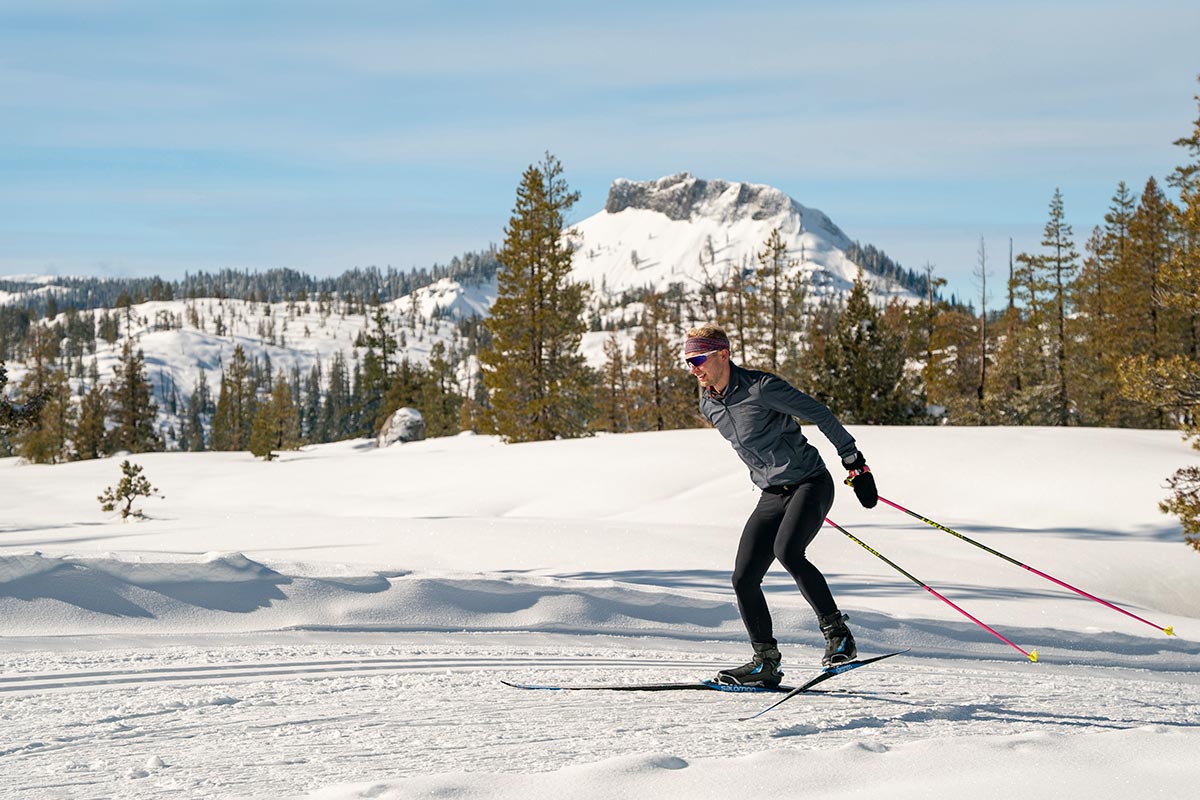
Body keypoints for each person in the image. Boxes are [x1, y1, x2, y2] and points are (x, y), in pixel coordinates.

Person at [683, 325, 878, 687]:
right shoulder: (709, 403)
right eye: (688, 362)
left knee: (788, 551)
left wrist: (853, 461)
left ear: (722, 354)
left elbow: (819, 413)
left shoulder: (761, 387)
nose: (694, 368)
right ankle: (765, 663)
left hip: (810, 482)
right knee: (743, 578)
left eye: (698, 359)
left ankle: (840, 636)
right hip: (773, 493)